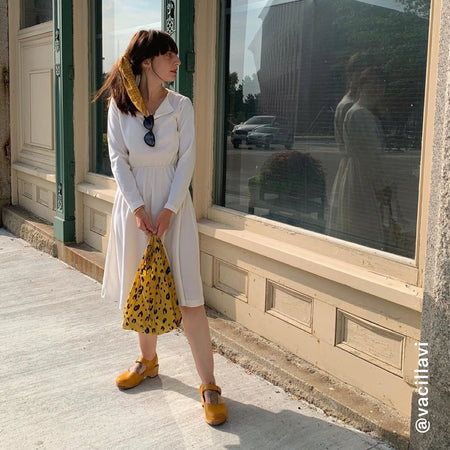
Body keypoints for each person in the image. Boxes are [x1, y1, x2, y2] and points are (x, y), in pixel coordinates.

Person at [95, 30, 227, 426]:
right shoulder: (119, 107)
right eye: (169, 55)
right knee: (142, 287)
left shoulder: (181, 106)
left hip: (175, 207)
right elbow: (118, 160)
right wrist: (138, 209)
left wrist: (169, 209)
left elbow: (187, 160)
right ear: (147, 61)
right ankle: (148, 360)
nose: (177, 62)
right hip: (134, 207)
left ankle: (209, 385)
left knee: (189, 296)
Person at [327, 67, 389, 249]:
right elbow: (370, 158)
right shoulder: (359, 114)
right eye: (373, 84)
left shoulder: (361, 112)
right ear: (362, 86)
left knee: (355, 224)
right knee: (362, 227)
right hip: (361, 177)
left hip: (356, 173)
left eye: (381, 85)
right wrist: (382, 186)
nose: (378, 89)